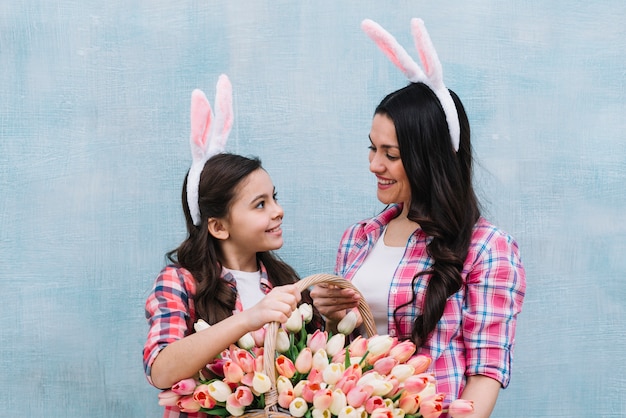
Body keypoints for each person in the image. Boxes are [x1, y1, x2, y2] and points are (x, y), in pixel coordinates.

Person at [310, 19, 526, 418]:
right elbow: (347, 353)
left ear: (432, 158)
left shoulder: (486, 248)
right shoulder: (358, 239)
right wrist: (334, 313)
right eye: (372, 148)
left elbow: (485, 373)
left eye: (391, 154)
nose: (375, 164)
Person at [143, 76, 313, 418]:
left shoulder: (283, 280)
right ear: (218, 226)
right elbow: (161, 370)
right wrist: (250, 319)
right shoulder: (181, 282)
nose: (278, 210)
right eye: (260, 204)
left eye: (274, 198)